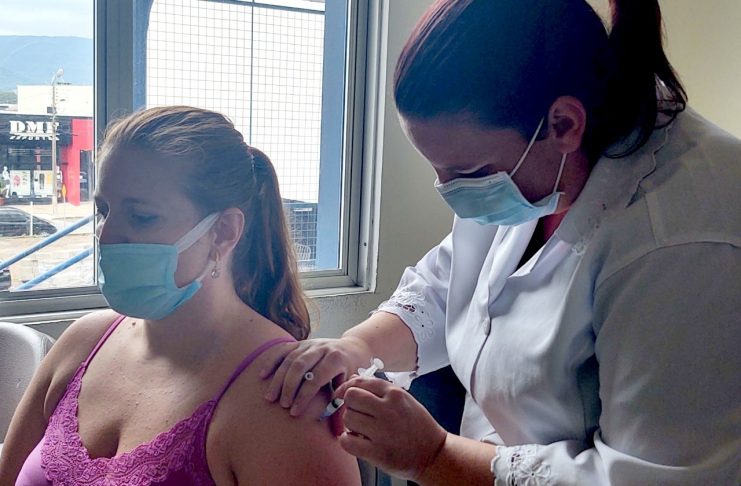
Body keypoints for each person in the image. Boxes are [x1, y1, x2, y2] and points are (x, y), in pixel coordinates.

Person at [259, 0, 741, 484]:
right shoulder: (536, 157)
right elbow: (449, 285)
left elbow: (654, 477)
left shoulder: (683, 240)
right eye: (439, 170)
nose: (449, 191)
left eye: (468, 173)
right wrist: (354, 348)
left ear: (564, 125)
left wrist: (433, 456)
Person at [0, 106, 361, 486]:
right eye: (104, 211)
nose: (106, 237)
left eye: (141, 217)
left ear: (223, 232)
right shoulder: (82, 343)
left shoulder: (282, 397)